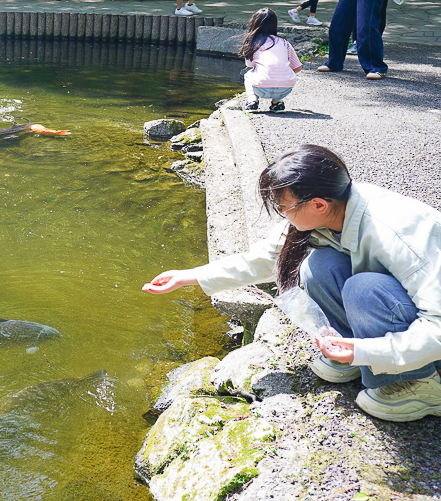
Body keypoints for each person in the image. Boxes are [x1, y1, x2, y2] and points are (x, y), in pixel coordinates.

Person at [144, 144, 441, 422]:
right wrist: (189, 276)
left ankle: (421, 381)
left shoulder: (398, 231)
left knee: (363, 289)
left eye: (282, 205)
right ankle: (352, 352)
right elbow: (261, 260)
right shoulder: (334, 209)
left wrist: (367, 352)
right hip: (401, 308)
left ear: (319, 204)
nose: (279, 212)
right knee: (317, 266)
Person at [239, 8, 303, 112]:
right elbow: (298, 67)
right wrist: (284, 74)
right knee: (281, 73)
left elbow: (249, 64)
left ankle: (252, 101)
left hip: (260, 89)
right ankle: (277, 102)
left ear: (254, 24)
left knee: (248, 74)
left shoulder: (254, 43)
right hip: (285, 89)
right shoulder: (285, 43)